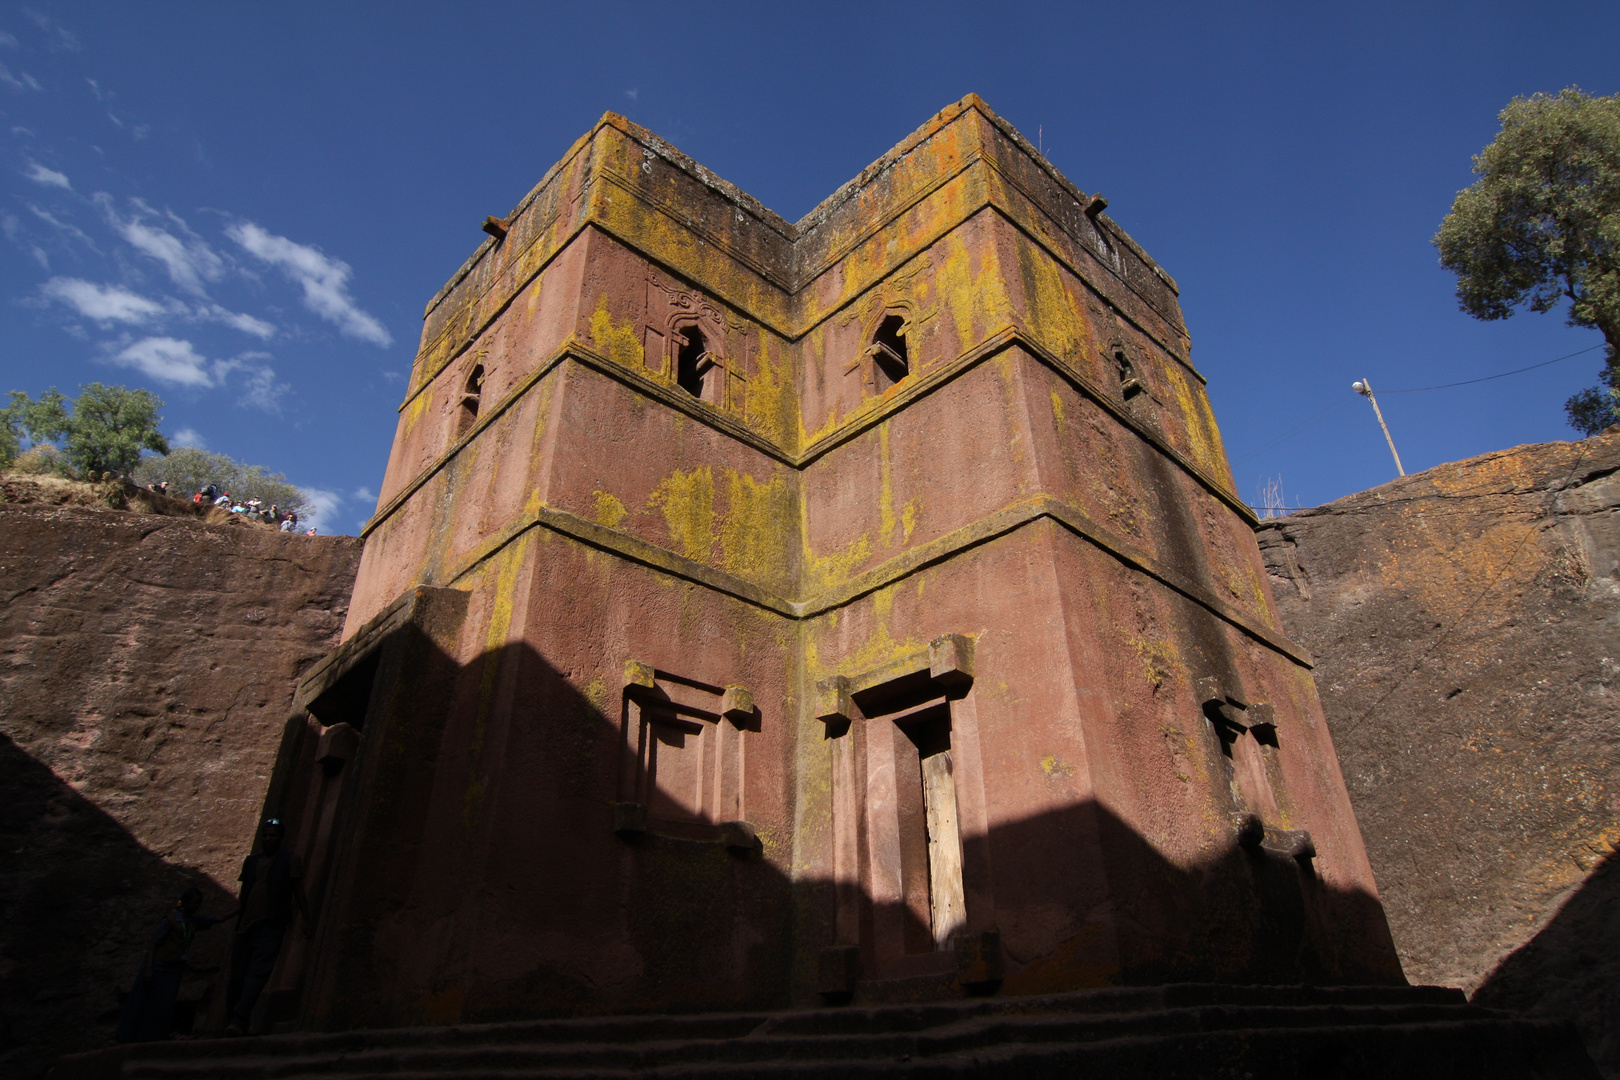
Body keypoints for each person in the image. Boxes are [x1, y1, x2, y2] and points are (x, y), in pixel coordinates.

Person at [224, 818, 311, 1036]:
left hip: (270, 924)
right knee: (238, 975)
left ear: (280, 838)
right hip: (247, 926)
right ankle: (234, 1020)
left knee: (258, 973)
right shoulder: (252, 861)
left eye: (272, 835)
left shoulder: (289, 860)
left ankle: (238, 1018)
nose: (268, 839)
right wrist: (237, 917)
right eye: (265, 835)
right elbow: (246, 892)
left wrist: (307, 918)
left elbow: (298, 891)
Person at [115, 888, 230, 1043]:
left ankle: (155, 1035)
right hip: (159, 966)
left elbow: (218, 919)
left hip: (174, 968)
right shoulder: (170, 920)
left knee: (164, 1004)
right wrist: (149, 968)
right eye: (194, 903)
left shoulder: (193, 922)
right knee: (146, 1001)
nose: (196, 907)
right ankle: (133, 1036)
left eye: (199, 904)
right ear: (185, 903)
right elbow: (154, 944)